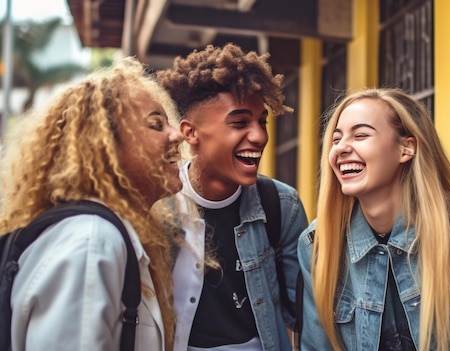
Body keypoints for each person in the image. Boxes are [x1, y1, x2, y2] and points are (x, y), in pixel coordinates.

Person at [298, 87, 450, 351]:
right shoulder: (318, 244)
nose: (341, 148)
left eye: (360, 135)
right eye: (336, 139)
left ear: (406, 148)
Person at [0, 57, 184, 350]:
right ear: (104, 143)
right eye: (156, 124)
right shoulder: (91, 240)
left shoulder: (109, 236)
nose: (177, 135)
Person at [157, 43, 309, 351]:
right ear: (190, 132)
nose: (259, 136)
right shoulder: (158, 206)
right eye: (240, 122)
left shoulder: (281, 205)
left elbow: (306, 316)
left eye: (261, 121)